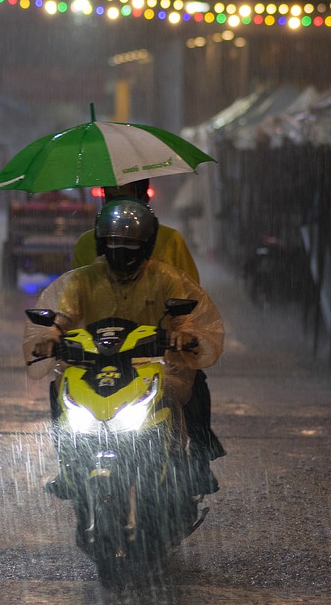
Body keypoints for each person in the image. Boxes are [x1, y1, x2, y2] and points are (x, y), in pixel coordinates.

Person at [28, 198, 226, 493]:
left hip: (152, 362)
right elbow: (64, 315)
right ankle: (69, 465)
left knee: (194, 386)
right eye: (114, 240)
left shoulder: (166, 278)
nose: (121, 248)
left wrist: (183, 335)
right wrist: (52, 336)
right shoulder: (85, 280)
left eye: (129, 242)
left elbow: (186, 318)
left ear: (146, 243)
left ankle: (197, 461)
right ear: (100, 242)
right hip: (96, 361)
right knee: (61, 388)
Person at [69, 179, 200, 281]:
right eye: (111, 198)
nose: (117, 207)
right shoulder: (86, 243)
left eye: (125, 198)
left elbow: (191, 295)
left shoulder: (171, 241)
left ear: (144, 199)